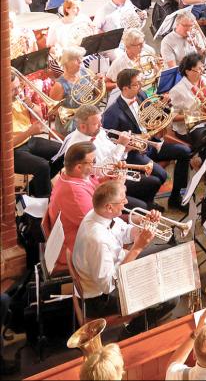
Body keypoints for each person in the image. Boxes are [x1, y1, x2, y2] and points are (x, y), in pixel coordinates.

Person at [73, 180, 175, 332]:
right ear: (109, 207)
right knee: (170, 299)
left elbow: (125, 232)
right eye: (122, 200)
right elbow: (108, 285)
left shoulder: (99, 214)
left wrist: (144, 224)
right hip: (100, 299)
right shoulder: (96, 240)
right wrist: (137, 248)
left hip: (118, 266)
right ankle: (131, 332)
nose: (126, 201)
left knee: (166, 252)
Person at [103, 68, 193, 211]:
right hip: (133, 153)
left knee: (185, 151)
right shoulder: (112, 113)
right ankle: (146, 202)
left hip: (150, 144)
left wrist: (164, 105)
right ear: (125, 88)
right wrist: (127, 145)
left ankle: (176, 198)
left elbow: (152, 116)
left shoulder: (141, 94)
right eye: (137, 83)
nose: (140, 85)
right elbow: (109, 143)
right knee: (161, 175)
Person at [60, 105, 162, 208]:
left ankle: (148, 204)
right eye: (96, 124)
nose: (101, 125)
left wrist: (125, 149)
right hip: (101, 184)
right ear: (83, 126)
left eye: (100, 121)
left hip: (114, 173)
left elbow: (112, 151)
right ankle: (140, 207)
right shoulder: (78, 146)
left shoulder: (98, 131)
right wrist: (121, 145)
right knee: (142, 203)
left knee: (154, 182)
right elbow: (101, 171)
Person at [44, 142, 115, 274]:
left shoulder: (71, 176)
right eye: (93, 161)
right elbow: (101, 223)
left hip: (81, 233)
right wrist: (118, 190)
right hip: (75, 251)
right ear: (78, 167)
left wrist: (110, 180)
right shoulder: (75, 194)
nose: (96, 163)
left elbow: (94, 186)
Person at [12, 83, 62, 197]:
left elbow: (40, 116)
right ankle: (43, 202)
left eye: (18, 87)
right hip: (12, 150)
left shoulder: (18, 98)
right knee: (42, 166)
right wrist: (29, 132)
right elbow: (6, 145)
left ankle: (34, 189)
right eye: (13, 89)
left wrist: (32, 106)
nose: (18, 91)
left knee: (63, 151)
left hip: (29, 140)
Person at [167, 53, 206, 138]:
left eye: (202, 67)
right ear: (188, 71)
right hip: (191, 128)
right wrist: (195, 116)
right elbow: (172, 117)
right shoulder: (176, 91)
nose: (203, 71)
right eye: (199, 69)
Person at [49, 46, 93, 136]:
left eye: (80, 58)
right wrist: (73, 112)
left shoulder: (84, 72)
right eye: (76, 59)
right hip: (70, 123)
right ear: (67, 62)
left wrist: (99, 83)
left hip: (86, 115)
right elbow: (52, 110)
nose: (80, 61)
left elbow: (93, 91)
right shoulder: (59, 85)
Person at [45, 0, 95, 65]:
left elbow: (91, 36)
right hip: (65, 58)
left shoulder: (84, 18)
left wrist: (93, 31)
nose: (78, 10)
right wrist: (62, 54)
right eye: (75, 8)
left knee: (98, 63)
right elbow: (50, 47)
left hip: (82, 54)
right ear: (67, 9)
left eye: (79, 7)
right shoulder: (56, 25)